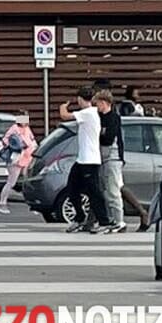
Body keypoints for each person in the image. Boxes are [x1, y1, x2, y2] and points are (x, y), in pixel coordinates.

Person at [59, 86, 111, 233]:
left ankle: (104, 221)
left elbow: (64, 115)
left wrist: (63, 107)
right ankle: (80, 218)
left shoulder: (88, 113)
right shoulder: (90, 113)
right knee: (72, 188)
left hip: (90, 160)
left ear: (80, 99)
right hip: (82, 160)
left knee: (94, 192)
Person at [95, 90, 130, 234]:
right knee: (106, 190)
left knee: (113, 190)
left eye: (98, 103)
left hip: (112, 158)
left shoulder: (113, 118)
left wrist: (100, 133)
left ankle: (119, 220)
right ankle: (111, 220)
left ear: (104, 103)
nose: (97, 107)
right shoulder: (99, 117)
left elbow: (108, 138)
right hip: (103, 158)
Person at [0, 111, 36, 215]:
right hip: (16, 158)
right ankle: (2, 203)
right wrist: (15, 146)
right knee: (11, 182)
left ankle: (34, 204)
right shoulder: (14, 129)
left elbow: (32, 140)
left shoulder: (27, 129)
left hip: (27, 157)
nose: (25, 121)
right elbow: (5, 140)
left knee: (28, 181)